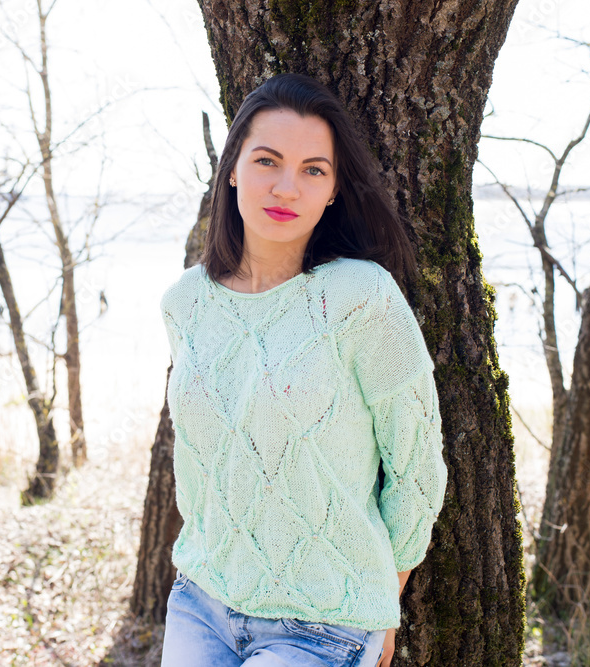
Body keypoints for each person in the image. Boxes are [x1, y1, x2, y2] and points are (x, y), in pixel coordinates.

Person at [158, 73, 447, 667]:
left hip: (325, 622)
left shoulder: (360, 297)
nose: (286, 186)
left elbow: (416, 464)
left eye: (313, 169)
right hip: (199, 602)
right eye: (267, 160)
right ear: (233, 168)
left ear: (335, 190)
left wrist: (379, 600)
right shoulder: (185, 302)